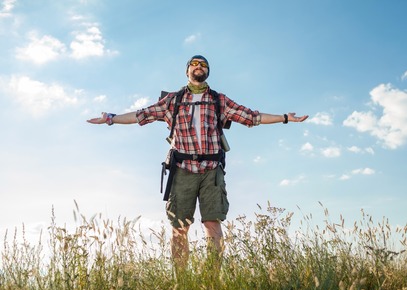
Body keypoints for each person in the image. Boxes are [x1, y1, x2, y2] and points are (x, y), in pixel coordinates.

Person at [87, 55, 309, 270]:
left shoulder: (219, 100)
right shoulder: (172, 100)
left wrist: (285, 118)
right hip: (182, 170)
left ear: (207, 71)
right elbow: (140, 115)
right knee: (179, 228)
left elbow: (252, 117)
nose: (198, 66)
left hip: (211, 171)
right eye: (194, 63)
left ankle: (212, 280)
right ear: (187, 71)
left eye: (203, 64)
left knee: (212, 225)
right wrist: (111, 119)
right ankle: (181, 281)